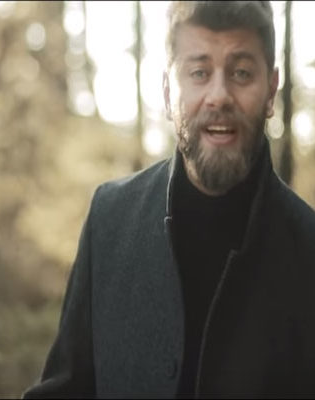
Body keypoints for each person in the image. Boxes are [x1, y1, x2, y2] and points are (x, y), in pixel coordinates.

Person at [23, 1, 315, 398]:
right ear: (166, 91)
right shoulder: (109, 219)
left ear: (270, 91)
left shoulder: (309, 249)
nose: (219, 96)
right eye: (199, 72)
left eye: (241, 73)